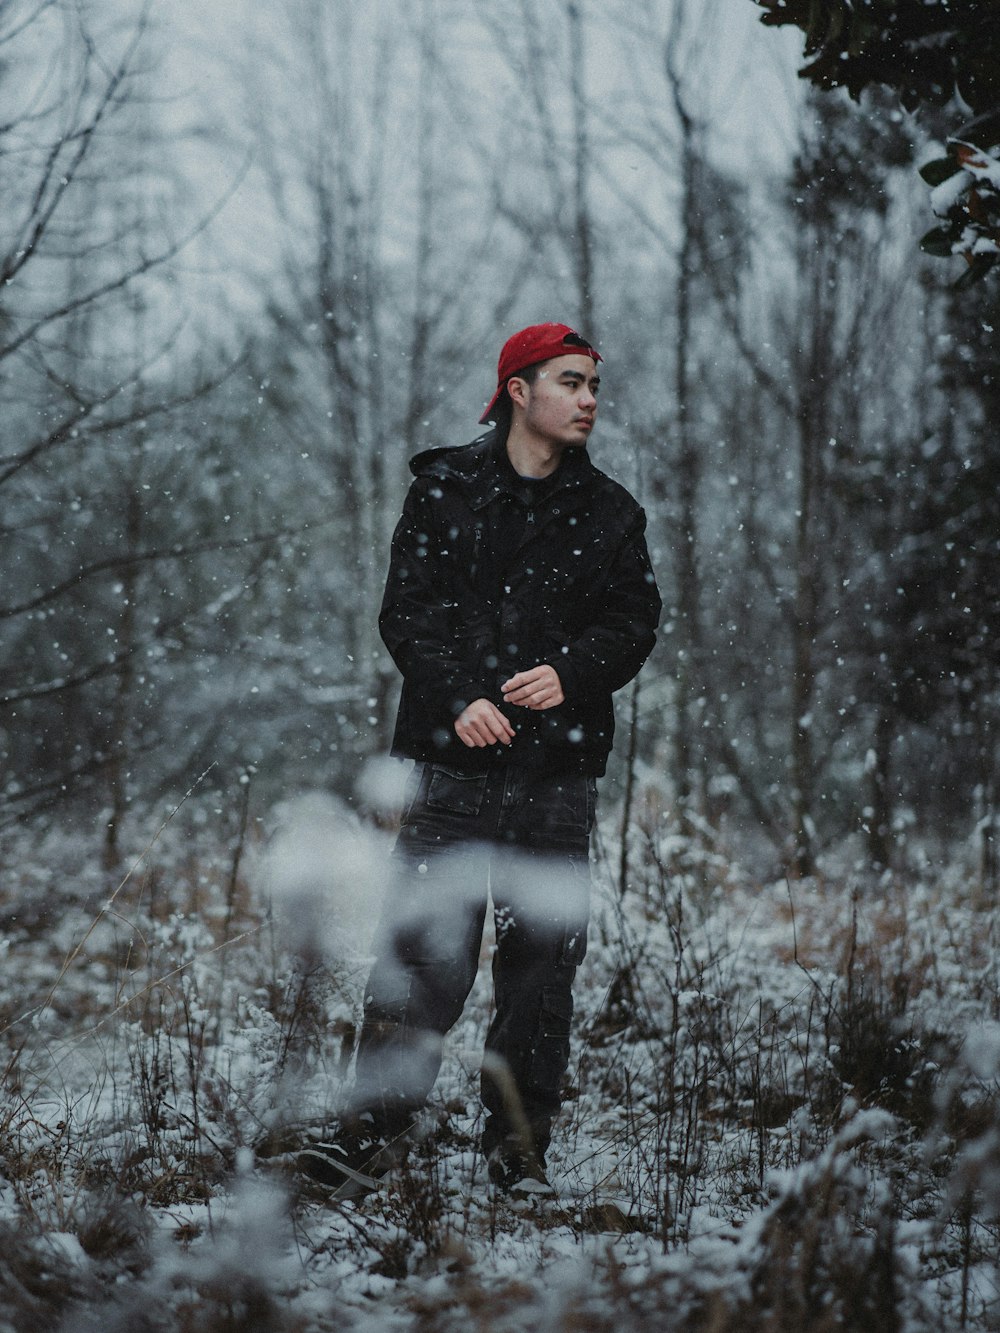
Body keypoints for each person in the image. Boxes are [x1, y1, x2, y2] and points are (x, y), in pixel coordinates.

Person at [298, 322, 661, 1198]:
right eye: (570, 382)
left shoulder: (612, 512)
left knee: (543, 966)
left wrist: (570, 672)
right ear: (517, 390)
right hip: (451, 769)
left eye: (594, 386)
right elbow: (407, 613)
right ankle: (365, 1139)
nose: (589, 400)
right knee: (427, 958)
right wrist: (463, 699)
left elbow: (633, 623)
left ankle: (517, 1153)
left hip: (558, 773)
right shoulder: (444, 490)